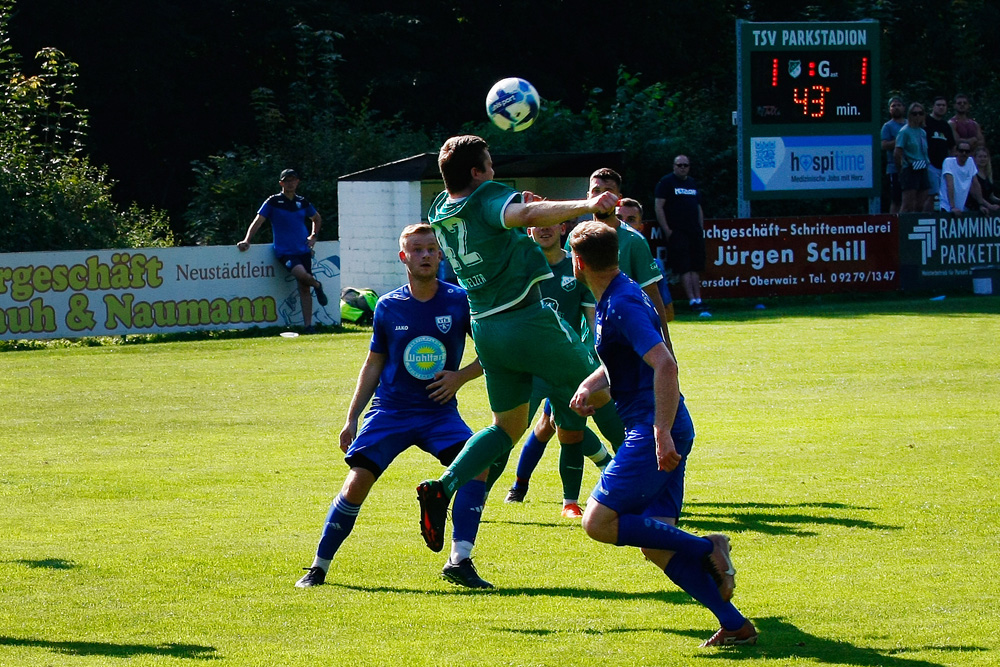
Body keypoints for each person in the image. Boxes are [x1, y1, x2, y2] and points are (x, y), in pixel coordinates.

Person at [416, 135, 621, 553]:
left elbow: (506, 221)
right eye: (489, 165)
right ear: (476, 173)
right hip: (527, 319)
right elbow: (523, 213)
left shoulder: (440, 208)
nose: (494, 172)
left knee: (506, 427)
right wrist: (588, 205)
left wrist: (516, 211)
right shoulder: (486, 194)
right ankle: (644, 483)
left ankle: (444, 486)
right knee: (603, 388)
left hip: (487, 328)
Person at [566, 220, 757, 647]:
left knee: (597, 522)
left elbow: (665, 363)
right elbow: (628, 361)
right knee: (655, 543)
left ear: (577, 263)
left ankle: (707, 546)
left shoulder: (620, 305)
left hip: (653, 430)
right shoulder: (620, 293)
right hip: (663, 426)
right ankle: (735, 625)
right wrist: (591, 383)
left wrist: (660, 432)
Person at [296, 224, 494, 589]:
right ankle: (318, 567)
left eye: (431, 249)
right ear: (404, 257)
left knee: (476, 467)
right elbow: (373, 363)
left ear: (440, 255)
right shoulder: (388, 305)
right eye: (416, 250)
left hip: (439, 413)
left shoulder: (459, 300)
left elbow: (493, 352)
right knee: (356, 483)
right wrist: (352, 417)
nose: (425, 255)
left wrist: (459, 377)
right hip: (390, 412)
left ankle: (459, 561)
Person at [495, 221, 621, 517]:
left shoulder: (577, 268)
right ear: (529, 231)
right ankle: (480, 492)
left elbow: (592, 321)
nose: (544, 228)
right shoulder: (520, 267)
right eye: (537, 224)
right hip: (527, 366)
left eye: (551, 223)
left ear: (562, 228)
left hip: (569, 365)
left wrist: (596, 359)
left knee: (578, 428)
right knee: (508, 432)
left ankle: (573, 501)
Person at [587, 169, 675, 347]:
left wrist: (666, 344)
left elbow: (653, 296)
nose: (601, 196)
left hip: (624, 339)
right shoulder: (577, 238)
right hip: (586, 341)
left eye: (608, 191)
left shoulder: (634, 240)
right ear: (588, 195)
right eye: (596, 190)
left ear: (618, 198)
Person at [238, 169, 329, 332]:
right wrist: (247, 240)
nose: (290, 183)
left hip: (303, 249)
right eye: (287, 181)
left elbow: (316, 218)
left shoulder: (302, 202)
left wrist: (313, 236)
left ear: (297, 182)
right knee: (301, 274)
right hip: (284, 251)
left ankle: (308, 325)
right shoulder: (273, 201)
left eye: (293, 180)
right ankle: (317, 284)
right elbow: (258, 221)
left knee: (303, 287)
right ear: (281, 183)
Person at [654, 156, 707, 313]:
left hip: (694, 231)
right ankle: (691, 301)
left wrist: (700, 227)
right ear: (674, 166)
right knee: (684, 267)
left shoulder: (691, 183)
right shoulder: (666, 183)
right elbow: (659, 207)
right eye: (680, 165)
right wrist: (667, 230)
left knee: (695, 267)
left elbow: (698, 207)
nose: (683, 168)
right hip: (677, 231)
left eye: (686, 165)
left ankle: (699, 299)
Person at [618, 197, 674, 323]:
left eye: (631, 220)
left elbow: (668, 313)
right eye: (619, 218)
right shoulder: (590, 256)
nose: (624, 224)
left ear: (640, 227)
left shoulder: (654, 264)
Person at [940, 141, 999, 214]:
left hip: (960, 208)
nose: (964, 153)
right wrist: (952, 207)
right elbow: (950, 184)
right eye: (961, 151)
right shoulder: (948, 162)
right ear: (956, 152)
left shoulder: (970, 162)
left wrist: (980, 205)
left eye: (967, 151)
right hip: (947, 206)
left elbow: (975, 185)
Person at [893, 102, 932, 213]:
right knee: (907, 205)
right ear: (909, 115)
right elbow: (897, 152)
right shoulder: (904, 132)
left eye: (920, 113)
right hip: (910, 168)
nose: (917, 116)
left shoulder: (922, 132)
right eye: (914, 114)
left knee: (921, 204)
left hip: (923, 168)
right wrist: (901, 169)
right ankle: (901, 227)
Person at [926, 96, 957, 205]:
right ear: (933, 106)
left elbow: (952, 146)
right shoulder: (925, 121)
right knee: (931, 195)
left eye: (943, 105)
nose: (941, 107)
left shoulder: (946, 125)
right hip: (929, 164)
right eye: (938, 105)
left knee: (942, 195)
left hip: (944, 166)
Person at [880, 97, 906, 214]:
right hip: (894, 168)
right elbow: (884, 145)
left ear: (903, 108)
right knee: (896, 199)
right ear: (889, 110)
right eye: (893, 106)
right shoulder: (887, 126)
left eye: (898, 105)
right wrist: (900, 141)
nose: (896, 108)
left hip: (911, 166)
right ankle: (894, 224)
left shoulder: (909, 124)